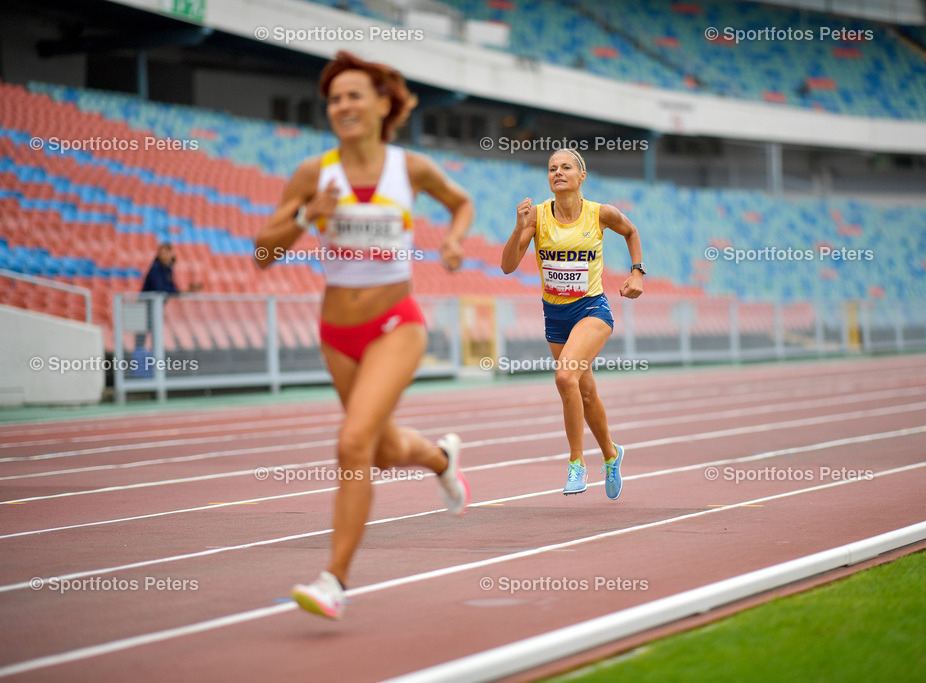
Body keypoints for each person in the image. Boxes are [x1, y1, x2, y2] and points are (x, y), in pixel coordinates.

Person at [255, 51, 473, 620]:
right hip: (336, 333)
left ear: (384, 104)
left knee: (352, 443)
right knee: (378, 447)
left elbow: (461, 202)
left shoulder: (412, 169)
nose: (343, 106)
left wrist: (453, 241)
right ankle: (440, 459)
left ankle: (334, 581)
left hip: (396, 323)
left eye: (355, 95)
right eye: (334, 99)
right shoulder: (314, 174)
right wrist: (307, 215)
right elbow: (261, 254)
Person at [500, 148, 644, 498]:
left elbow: (631, 231)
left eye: (566, 167)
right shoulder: (536, 216)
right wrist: (519, 228)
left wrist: (636, 273)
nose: (558, 172)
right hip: (555, 315)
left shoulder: (600, 213)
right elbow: (507, 266)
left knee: (565, 375)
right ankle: (611, 454)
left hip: (592, 310)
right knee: (586, 391)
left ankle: (576, 463)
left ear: (582, 177)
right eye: (552, 168)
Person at [137, 243, 201, 348]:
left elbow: (171, 287)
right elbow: (160, 288)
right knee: (142, 334)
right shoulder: (156, 268)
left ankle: (153, 356)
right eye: (164, 252)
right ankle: (139, 356)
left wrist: (185, 291)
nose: (166, 255)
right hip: (145, 306)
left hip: (156, 307)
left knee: (154, 332)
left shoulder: (168, 268)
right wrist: (177, 292)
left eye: (168, 252)